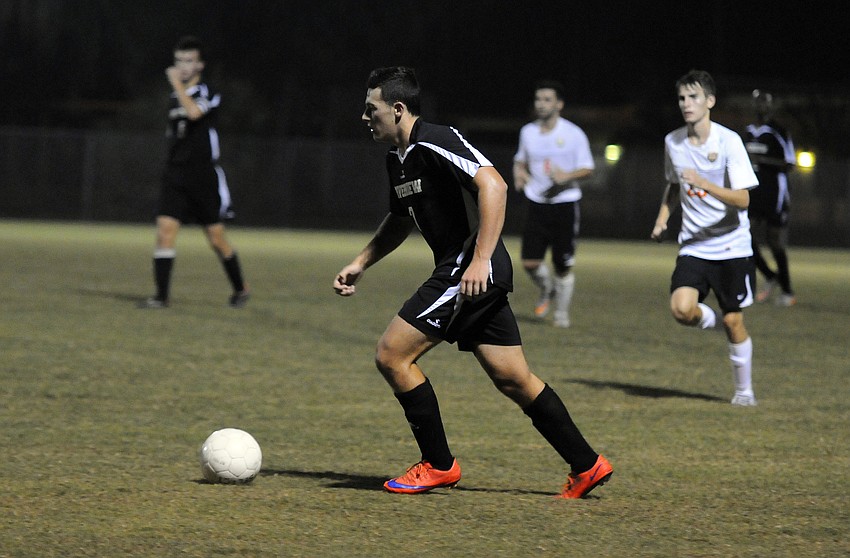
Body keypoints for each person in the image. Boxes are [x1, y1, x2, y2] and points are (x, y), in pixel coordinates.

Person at [334, 67, 612, 497]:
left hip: (466, 268)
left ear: (399, 109)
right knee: (513, 378)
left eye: (372, 109)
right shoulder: (398, 158)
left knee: (392, 354)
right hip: (470, 271)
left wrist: (479, 259)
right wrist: (361, 261)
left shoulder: (435, 140)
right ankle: (587, 464)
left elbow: (494, 185)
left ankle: (438, 465)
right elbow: (399, 219)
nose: (365, 117)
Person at [651, 70, 760, 407]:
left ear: (709, 102)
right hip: (695, 245)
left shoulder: (729, 142)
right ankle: (708, 319)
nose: (686, 104)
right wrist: (662, 219)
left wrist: (703, 182)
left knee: (734, 320)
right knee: (681, 310)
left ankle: (744, 392)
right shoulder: (674, 142)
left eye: (694, 97)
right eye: (682, 98)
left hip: (732, 245)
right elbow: (674, 185)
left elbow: (743, 199)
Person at [140, 35, 249, 309]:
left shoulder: (207, 92)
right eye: (179, 61)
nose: (183, 66)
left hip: (203, 177)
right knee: (165, 231)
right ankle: (161, 296)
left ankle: (240, 288)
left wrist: (176, 84)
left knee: (216, 238)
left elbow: (194, 115)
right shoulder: (173, 97)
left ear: (200, 65)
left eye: (189, 61)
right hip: (175, 174)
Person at [512, 80, 594, 328]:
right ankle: (548, 289)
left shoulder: (573, 133)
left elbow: (588, 168)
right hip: (537, 203)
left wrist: (566, 177)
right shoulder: (528, 132)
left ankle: (561, 315)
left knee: (562, 264)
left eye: (547, 99)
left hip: (565, 204)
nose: (541, 104)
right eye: (538, 99)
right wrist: (519, 174)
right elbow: (520, 161)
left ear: (559, 104)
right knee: (530, 262)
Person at [744, 89, 797, 306]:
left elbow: (790, 163)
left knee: (775, 243)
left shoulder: (779, 132)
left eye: (765, 102)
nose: (761, 107)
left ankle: (787, 291)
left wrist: (762, 160)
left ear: (771, 106)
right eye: (758, 102)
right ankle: (769, 275)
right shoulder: (747, 132)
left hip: (774, 194)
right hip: (752, 193)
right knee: (744, 238)